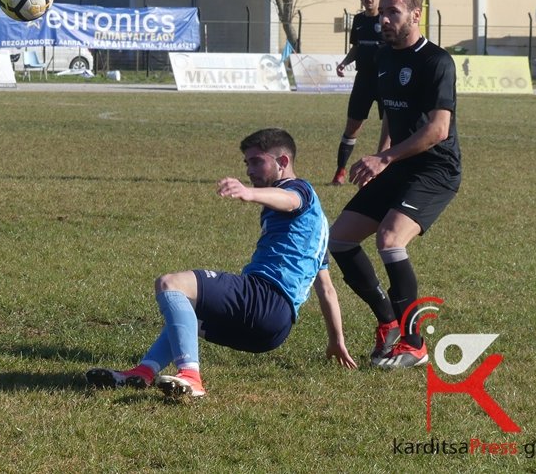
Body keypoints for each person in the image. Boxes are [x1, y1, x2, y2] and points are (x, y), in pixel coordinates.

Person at [86, 128, 357, 399]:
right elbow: (327, 290)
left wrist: (249, 193)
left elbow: (290, 200)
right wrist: (336, 341)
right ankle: (143, 372)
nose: (250, 170)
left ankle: (191, 377)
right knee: (186, 314)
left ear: (282, 162)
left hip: (264, 298)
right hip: (274, 330)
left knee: (170, 284)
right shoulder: (317, 229)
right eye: (246, 163)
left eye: (256, 162)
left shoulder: (299, 190)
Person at [328, 0, 461, 369]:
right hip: (397, 164)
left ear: (416, 15)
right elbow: (390, 114)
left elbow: (438, 129)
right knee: (340, 239)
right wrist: (381, 156)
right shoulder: (384, 59)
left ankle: (415, 343)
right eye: (381, 12)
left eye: (393, 12)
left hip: (436, 169)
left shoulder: (436, 62)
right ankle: (388, 322)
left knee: (389, 239)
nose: (383, 19)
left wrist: (385, 160)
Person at [332, 0, 385, 185]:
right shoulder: (359, 20)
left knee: (390, 131)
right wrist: (344, 63)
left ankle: (382, 174)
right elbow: (356, 47)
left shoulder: (386, 18)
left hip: (385, 81)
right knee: (352, 127)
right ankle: (340, 172)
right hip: (363, 80)